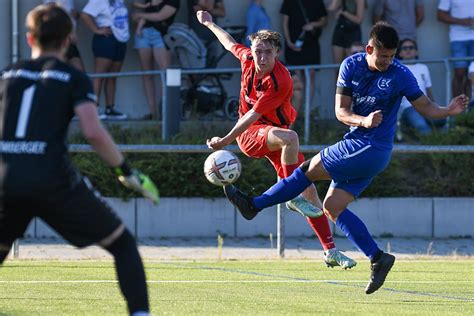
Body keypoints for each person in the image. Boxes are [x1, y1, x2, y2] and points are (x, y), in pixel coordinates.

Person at [223, 22, 469, 294]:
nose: (388, 62)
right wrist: (363, 121)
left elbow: (426, 107)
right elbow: (341, 112)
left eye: (391, 56)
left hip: (371, 148)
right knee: (332, 206)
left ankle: (254, 205)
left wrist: (448, 110)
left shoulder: (401, 74)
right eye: (382, 56)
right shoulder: (351, 66)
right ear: (369, 49)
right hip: (359, 143)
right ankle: (378, 258)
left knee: (305, 171)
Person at [0, 4, 160, 314]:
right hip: (52, 181)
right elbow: (93, 131)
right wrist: (126, 172)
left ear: (30, 38)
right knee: (123, 244)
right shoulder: (72, 76)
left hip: (6, 179)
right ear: (68, 39)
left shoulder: (6, 75)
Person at [198, 10, 356, 269]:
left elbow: (256, 114)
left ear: (276, 53)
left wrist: (224, 139)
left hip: (273, 136)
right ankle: (291, 193)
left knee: (312, 194)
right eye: (258, 51)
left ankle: (330, 250)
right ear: (252, 49)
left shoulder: (280, 80)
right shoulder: (248, 58)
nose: (261, 57)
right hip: (252, 134)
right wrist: (209, 23)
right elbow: (228, 43)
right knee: (291, 140)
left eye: (267, 52)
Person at [81, 0, 130, 120]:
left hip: (120, 38)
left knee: (112, 76)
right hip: (106, 39)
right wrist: (96, 30)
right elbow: (85, 14)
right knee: (100, 75)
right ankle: (94, 108)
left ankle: (110, 108)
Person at [132, 0, 180, 120]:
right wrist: (139, 17)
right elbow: (134, 13)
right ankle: (153, 113)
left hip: (161, 35)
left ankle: (166, 112)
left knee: (165, 75)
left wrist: (141, 15)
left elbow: (160, 16)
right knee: (147, 74)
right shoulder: (148, 2)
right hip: (143, 34)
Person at [280, 0, 327, 114]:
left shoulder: (317, 2)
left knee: (310, 75)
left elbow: (324, 20)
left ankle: (307, 111)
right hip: (294, 44)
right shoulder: (289, 2)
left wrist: (313, 25)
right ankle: (297, 110)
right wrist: (289, 41)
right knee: (296, 77)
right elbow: (284, 22)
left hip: (310, 44)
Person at [397, 38, 447, 136]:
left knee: (444, 119)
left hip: (426, 105)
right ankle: (431, 149)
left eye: (411, 47)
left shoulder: (423, 67)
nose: (408, 50)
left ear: (416, 52)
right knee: (423, 127)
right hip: (409, 107)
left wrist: (435, 108)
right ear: (400, 53)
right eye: (404, 48)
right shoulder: (397, 68)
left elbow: (429, 90)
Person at [437, 0, 474, 102]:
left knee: (471, 75)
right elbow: (440, 15)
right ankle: (457, 110)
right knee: (460, 73)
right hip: (458, 38)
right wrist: (463, 21)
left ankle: (470, 111)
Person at [43, 0, 86, 72]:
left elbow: (71, 14)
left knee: (79, 71)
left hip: (69, 39)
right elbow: (50, 12)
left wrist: (76, 15)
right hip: (58, 39)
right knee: (57, 69)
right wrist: (67, 33)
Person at [188, 0, 226, 66]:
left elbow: (222, 12)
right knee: (197, 66)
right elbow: (209, 7)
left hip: (213, 36)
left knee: (212, 65)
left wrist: (205, 9)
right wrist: (212, 10)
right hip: (197, 37)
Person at [327, 0, 365, 65]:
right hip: (340, 30)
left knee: (351, 64)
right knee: (337, 66)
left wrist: (344, 12)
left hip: (353, 32)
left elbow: (359, 20)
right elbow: (331, 8)